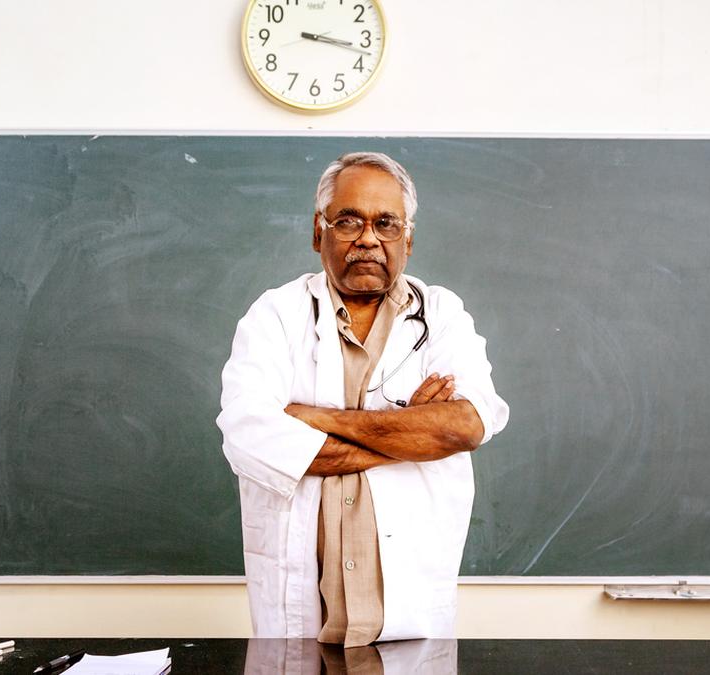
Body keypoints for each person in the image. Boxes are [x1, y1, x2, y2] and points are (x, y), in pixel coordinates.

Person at [217, 151, 509, 647]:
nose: (368, 238)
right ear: (319, 232)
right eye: (348, 221)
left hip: (410, 616)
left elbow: (464, 427)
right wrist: (411, 437)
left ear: (408, 238)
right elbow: (249, 437)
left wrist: (314, 419)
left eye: (386, 224)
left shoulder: (443, 316)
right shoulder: (275, 316)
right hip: (302, 620)